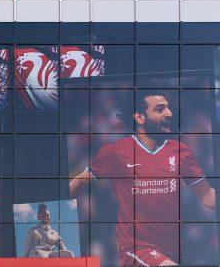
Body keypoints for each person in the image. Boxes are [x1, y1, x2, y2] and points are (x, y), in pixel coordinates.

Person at [69, 91, 216, 266]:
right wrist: (59, 213)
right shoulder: (116, 151)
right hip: (136, 248)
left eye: (168, 108)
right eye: (160, 109)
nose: (169, 113)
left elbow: (208, 197)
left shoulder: (180, 151)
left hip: (173, 249)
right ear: (139, 117)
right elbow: (79, 181)